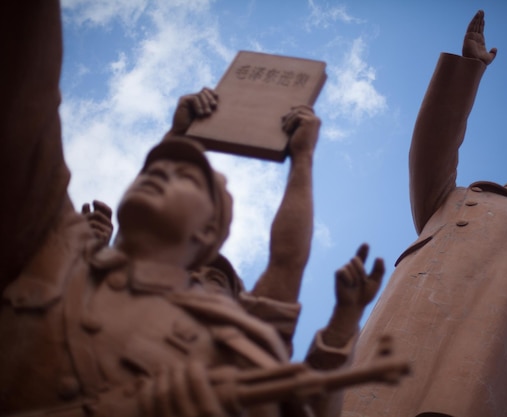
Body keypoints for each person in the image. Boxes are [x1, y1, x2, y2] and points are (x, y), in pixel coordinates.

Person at [0, 1, 387, 416]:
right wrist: (180, 134)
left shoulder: (230, 348)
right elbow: (27, 93)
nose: (162, 173)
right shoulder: (58, 250)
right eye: (157, 168)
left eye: (186, 179)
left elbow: (286, 264)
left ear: (207, 234)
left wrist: (303, 159)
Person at [342, 10, 507, 417]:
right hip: (424, 295)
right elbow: (432, 145)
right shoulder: (449, 197)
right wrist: (468, 68)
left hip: (506, 317)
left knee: (469, 393)